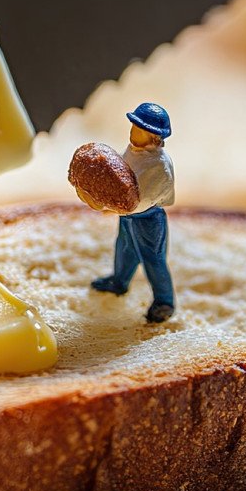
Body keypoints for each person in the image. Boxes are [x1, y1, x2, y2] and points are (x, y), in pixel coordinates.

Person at [91, 102, 176, 324]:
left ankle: (164, 301)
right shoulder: (132, 151)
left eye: (139, 129)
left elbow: (147, 198)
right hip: (127, 215)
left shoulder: (159, 166)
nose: (133, 132)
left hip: (148, 218)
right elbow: (118, 173)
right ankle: (119, 282)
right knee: (125, 248)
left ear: (155, 138)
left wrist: (116, 208)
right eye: (133, 126)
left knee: (153, 259)